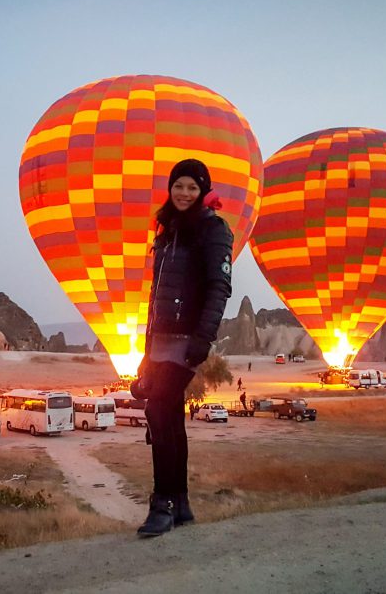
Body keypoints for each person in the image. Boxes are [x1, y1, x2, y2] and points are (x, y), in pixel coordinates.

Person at [135, 158, 232, 537]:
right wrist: (145, 349)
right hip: (159, 341)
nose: (184, 193)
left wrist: (201, 341)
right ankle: (182, 504)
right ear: (170, 188)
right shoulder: (166, 230)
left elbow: (219, 288)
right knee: (169, 419)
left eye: (193, 187)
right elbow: (156, 294)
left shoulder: (213, 230)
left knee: (158, 414)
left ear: (204, 192)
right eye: (179, 185)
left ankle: (163, 503)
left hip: (187, 341)